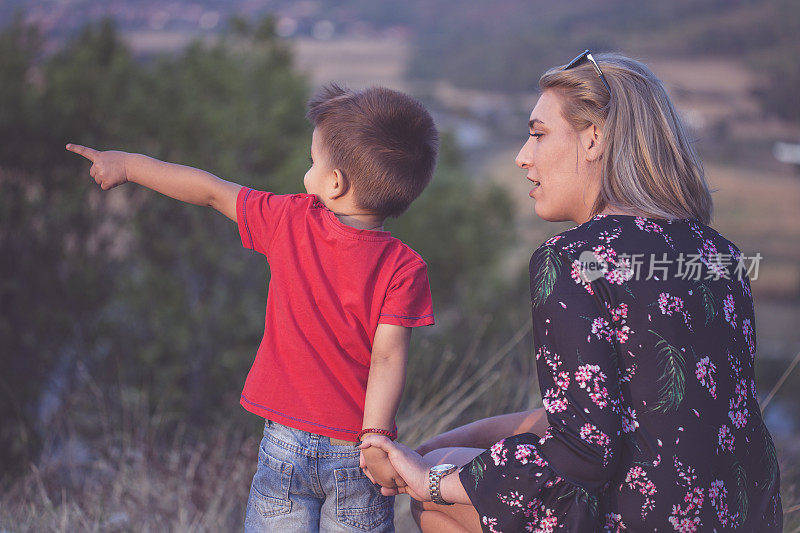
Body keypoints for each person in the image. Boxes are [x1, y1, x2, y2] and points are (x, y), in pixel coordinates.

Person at [360, 51, 783, 532]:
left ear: (594, 138)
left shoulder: (574, 258)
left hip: (641, 521)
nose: (523, 154)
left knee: (438, 500)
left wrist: (432, 480)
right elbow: (613, 410)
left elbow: (584, 453)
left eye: (538, 134)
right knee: (448, 455)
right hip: (745, 516)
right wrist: (432, 447)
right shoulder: (718, 253)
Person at [66, 83, 440, 532]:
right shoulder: (404, 267)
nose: (309, 168)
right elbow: (387, 356)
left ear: (335, 182)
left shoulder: (288, 220)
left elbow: (208, 191)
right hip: (358, 455)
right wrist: (376, 438)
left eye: (312, 161)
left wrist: (127, 165)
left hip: (285, 442)